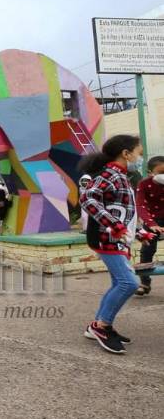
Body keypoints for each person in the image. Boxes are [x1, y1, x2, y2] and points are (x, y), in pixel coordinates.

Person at [79, 134, 145, 355]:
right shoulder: (110, 174)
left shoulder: (122, 176)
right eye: (139, 152)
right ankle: (102, 327)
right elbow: (88, 198)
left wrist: (139, 232)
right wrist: (115, 226)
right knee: (129, 283)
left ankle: (98, 325)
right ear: (126, 154)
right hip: (106, 238)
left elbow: (124, 211)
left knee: (120, 282)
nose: (140, 156)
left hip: (114, 239)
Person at [134, 156, 164, 296]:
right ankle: (144, 282)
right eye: (160, 172)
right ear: (150, 172)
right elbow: (140, 205)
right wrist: (151, 224)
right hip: (152, 221)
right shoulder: (143, 184)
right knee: (146, 250)